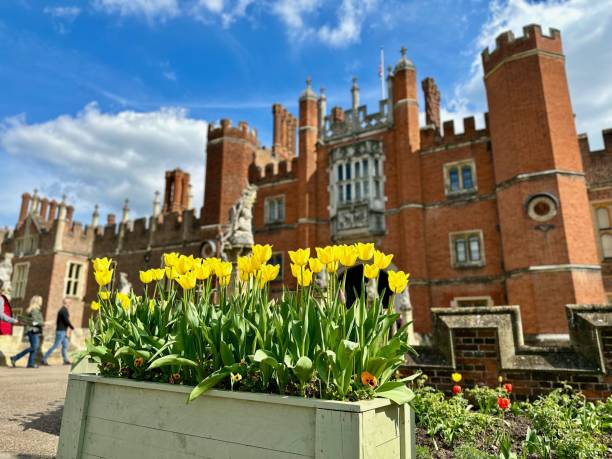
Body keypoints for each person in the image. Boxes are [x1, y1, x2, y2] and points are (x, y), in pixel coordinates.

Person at [10, 295, 44, 368]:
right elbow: (35, 321)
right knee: (34, 347)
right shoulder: (34, 310)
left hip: (34, 330)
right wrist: (44, 323)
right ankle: (15, 357)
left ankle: (30, 364)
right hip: (32, 330)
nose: (42, 302)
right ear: (37, 301)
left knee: (34, 347)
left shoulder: (35, 310)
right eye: (41, 300)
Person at [42, 298, 74, 365]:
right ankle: (44, 358)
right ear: (66, 303)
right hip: (60, 331)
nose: (70, 304)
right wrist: (72, 327)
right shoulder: (63, 310)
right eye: (69, 303)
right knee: (56, 345)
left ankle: (65, 360)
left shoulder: (64, 310)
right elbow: (66, 320)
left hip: (63, 331)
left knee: (65, 345)